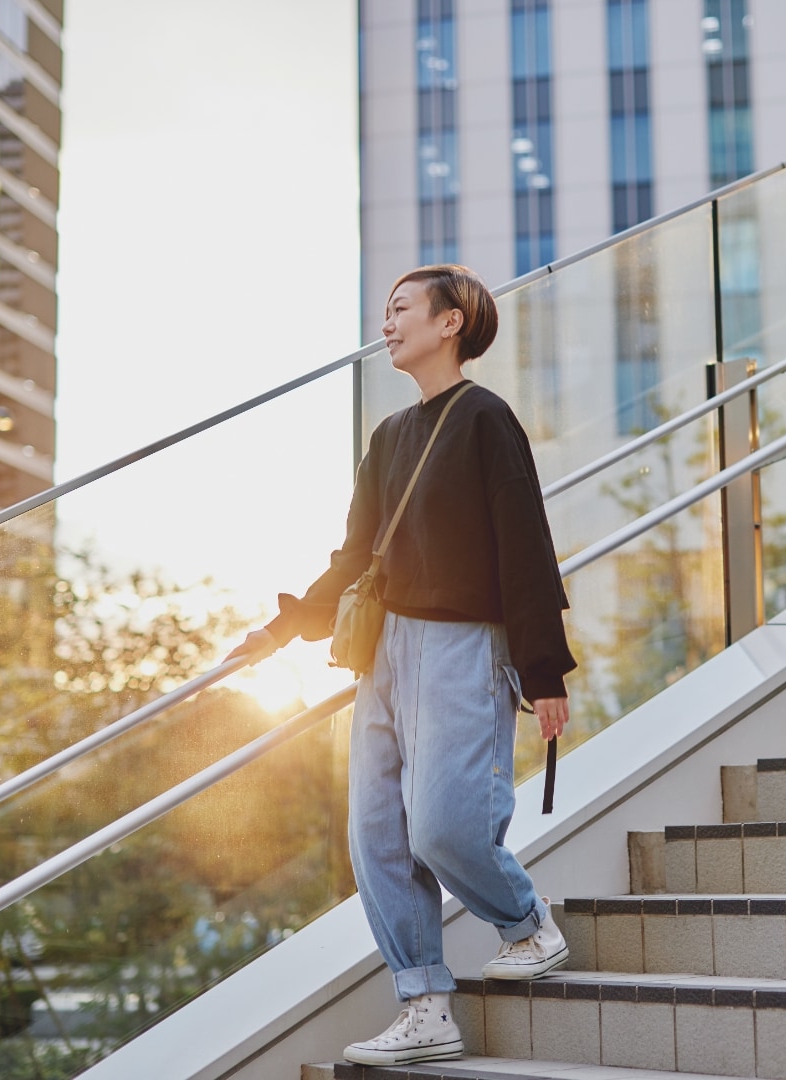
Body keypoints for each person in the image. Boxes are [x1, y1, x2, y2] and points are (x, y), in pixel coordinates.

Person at [228, 264, 577, 1068]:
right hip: (383, 654)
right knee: (378, 837)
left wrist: (543, 670)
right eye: (385, 313)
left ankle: (528, 926)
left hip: (464, 646)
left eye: (401, 310)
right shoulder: (390, 436)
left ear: (451, 322)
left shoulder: (487, 420)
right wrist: (282, 631)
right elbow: (354, 557)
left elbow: (525, 547)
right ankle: (425, 1006)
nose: (387, 324)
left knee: (444, 825)